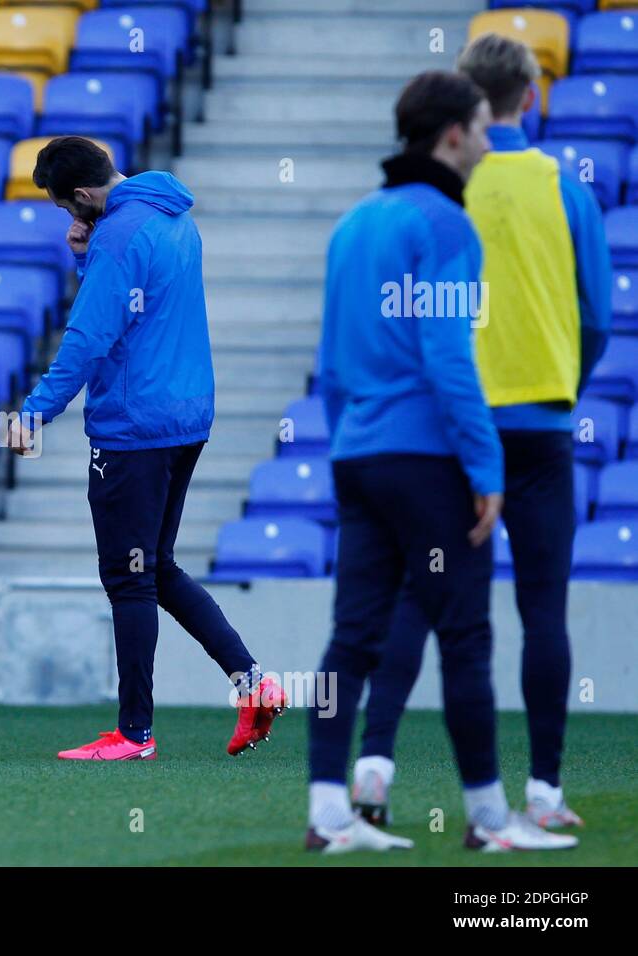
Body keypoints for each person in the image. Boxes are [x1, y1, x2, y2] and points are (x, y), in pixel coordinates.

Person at [308, 70, 575, 852]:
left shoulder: (354, 222)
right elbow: (450, 359)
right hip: (423, 457)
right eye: (484, 131)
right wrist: (486, 468)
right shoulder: (448, 224)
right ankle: (491, 819)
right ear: (453, 135)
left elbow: (328, 362)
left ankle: (329, 810)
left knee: (350, 637)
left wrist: (344, 445)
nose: (490, 143)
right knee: (465, 636)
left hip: (358, 452)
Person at [352, 34, 612, 832]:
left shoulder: (439, 192)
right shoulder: (564, 188)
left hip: (449, 430)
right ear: (528, 98)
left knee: (413, 601)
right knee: (544, 610)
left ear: (464, 103)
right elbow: (597, 315)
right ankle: (542, 793)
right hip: (539, 423)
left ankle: (374, 766)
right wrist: (564, 380)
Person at [9, 136, 287, 762]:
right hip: (186, 416)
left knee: (128, 579)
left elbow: (90, 335)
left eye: (65, 209)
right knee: (156, 567)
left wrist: (33, 412)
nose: (71, 221)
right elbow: (142, 306)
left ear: (83, 196)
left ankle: (134, 734)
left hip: (134, 426)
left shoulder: (118, 233)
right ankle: (253, 682)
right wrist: (88, 260)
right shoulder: (173, 214)